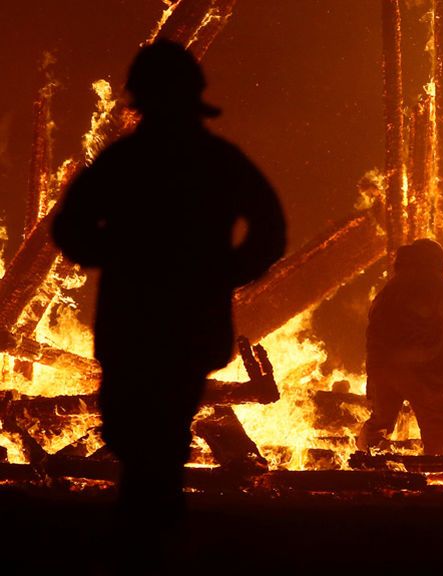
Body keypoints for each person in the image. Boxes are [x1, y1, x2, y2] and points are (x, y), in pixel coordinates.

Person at [51, 39, 285, 563]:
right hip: (189, 324)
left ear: (141, 101)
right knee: (167, 429)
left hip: (133, 323)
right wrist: (223, 273)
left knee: (135, 431)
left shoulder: (125, 162)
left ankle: (143, 535)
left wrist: (117, 256)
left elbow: (71, 229)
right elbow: (270, 233)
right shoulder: (219, 161)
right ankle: (159, 532)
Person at [357, 239, 443, 455]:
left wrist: (374, 377)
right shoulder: (436, 285)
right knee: (439, 427)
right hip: (421, 369)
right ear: (437, 262)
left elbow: (373, 338)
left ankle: (365, 462)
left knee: (380, 423)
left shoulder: (389, 290)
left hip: (383, 369)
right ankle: (441, 476)